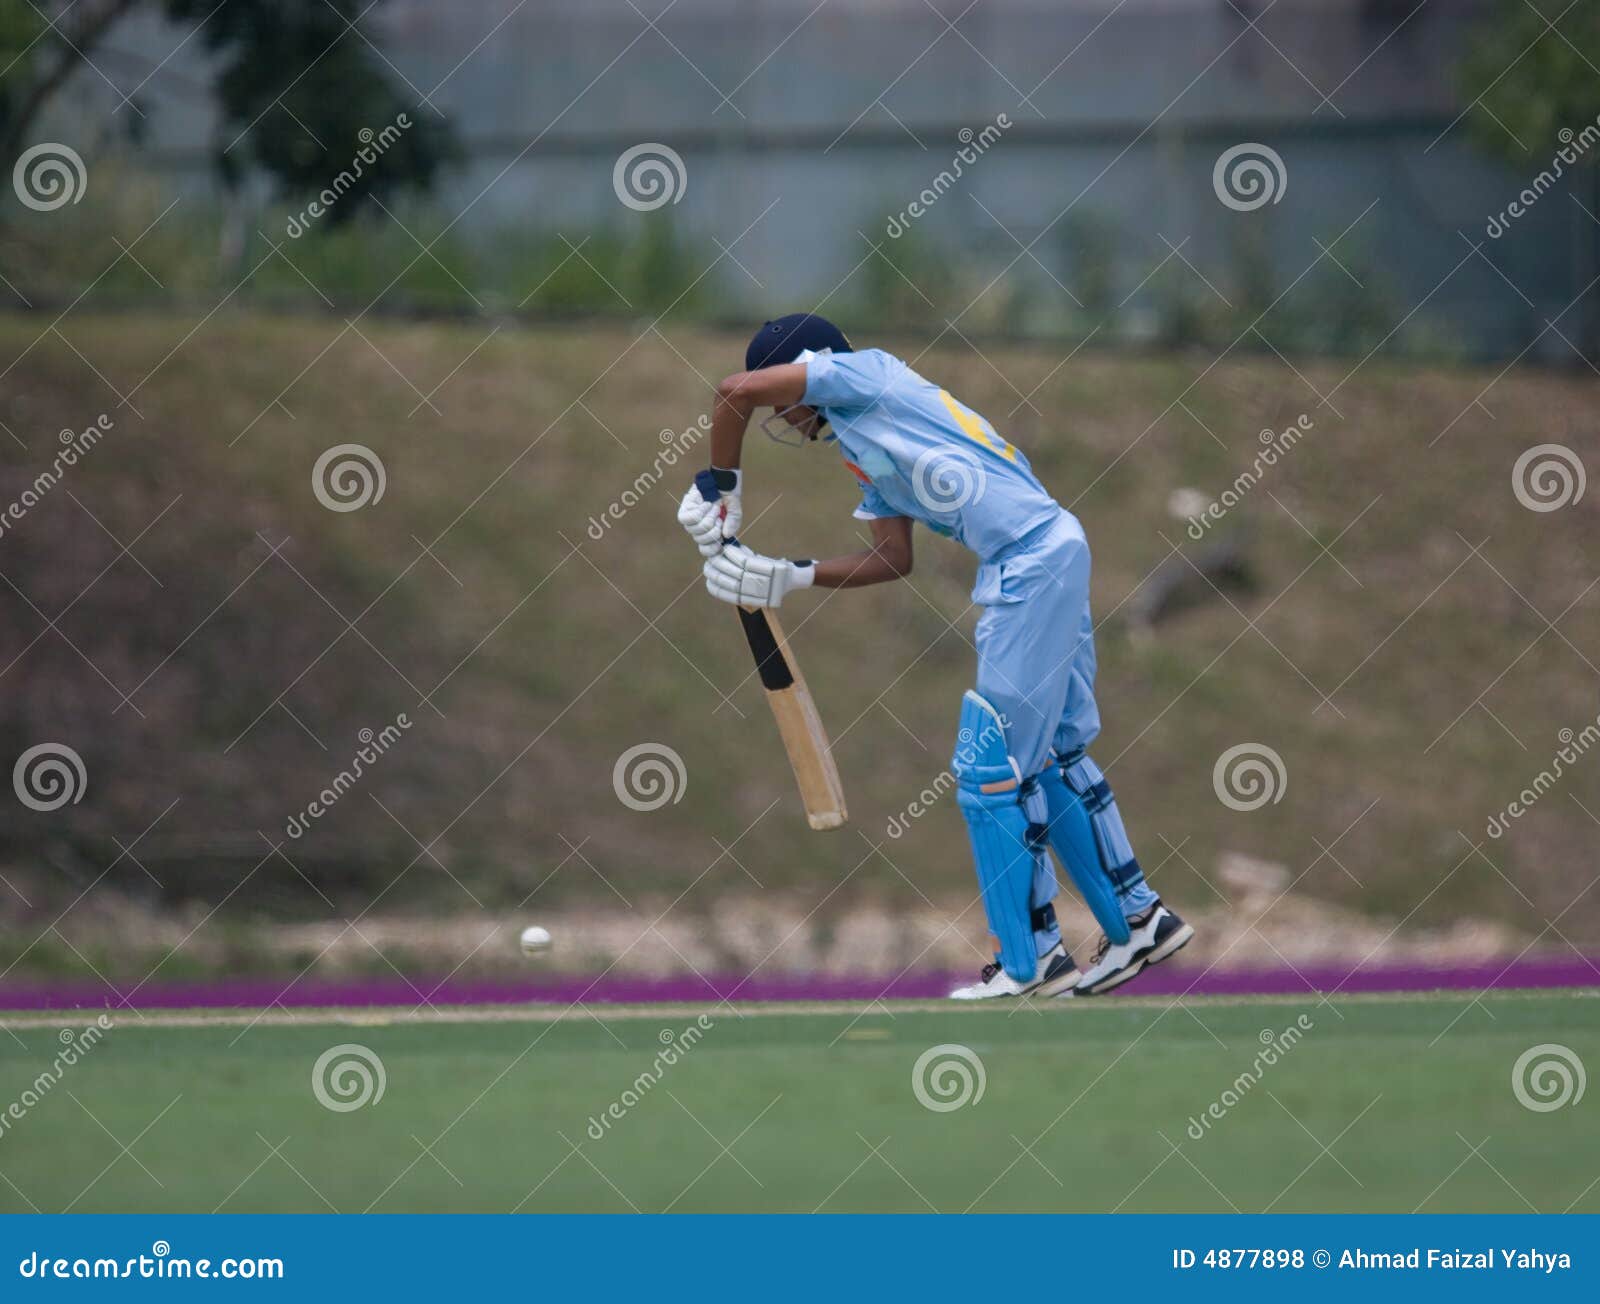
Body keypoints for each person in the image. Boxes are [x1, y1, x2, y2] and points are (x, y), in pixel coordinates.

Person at [677, 313, 1192, 998]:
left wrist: (721, 491)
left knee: (989, 768)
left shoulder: (863, 374)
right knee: (1054, 756)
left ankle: (1029, 960)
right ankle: (1139, 920)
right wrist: (787, 575)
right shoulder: (863, 442)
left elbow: (732, 391)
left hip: (1028, 563)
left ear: (807, 367)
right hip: (1049, 549)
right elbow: (893, 558)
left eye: (784, 400)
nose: (782, 417)